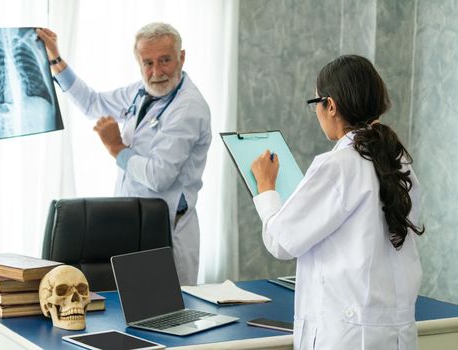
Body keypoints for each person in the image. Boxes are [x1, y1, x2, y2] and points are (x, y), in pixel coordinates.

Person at [251, 55, 425, 349]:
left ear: (330, 105)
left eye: (316, 103)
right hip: (394, 334)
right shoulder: (401, 163)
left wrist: (266, 188)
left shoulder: (337, 165)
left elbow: (280, 241)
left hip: (346, 336)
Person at [37, 23, 211, 286]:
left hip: (166, 233)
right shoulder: (141, 92)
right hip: (134, 226)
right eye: (148, 63)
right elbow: (93, 103)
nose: (156, 72)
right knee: (134, 316)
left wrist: (116, 148)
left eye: (165, 61)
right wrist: (56, 60)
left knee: (166, 318)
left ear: (181, 58)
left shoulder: (188, 108)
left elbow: (159, 176)